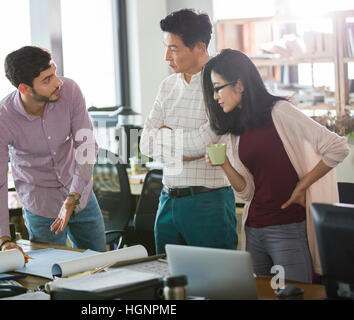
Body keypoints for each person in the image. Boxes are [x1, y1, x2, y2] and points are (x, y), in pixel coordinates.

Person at [199, 48, 349, 283]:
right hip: (253, 229)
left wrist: (302, 186)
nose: (215, 96)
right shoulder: (236, 129)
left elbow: (338, 148)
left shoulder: (280, 112)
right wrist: (224, 164)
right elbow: (247, 191)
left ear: (239, 84)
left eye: (218, 87)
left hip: (287, 229)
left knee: (294, 294)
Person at [0, 46, 106, 256]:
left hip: (81, 195)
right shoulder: (0, 122)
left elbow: (85, 147)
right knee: (51, 273)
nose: (58, 82)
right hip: (41, 205)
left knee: (101, 266)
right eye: (47, 80)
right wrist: (4, 240)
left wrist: (73, 196)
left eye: (54, 73)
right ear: (25, 88)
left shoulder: (70, 91)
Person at [139, 9, 238, 255]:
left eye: (174, 49)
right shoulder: (167, 85)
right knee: (169, 284)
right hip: (167, 200)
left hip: (208, 202)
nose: (166, 57)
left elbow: (203, 144)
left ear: (200, 47)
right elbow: (145, 144)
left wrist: (164, 134)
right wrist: (184, 143)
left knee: (216, 285)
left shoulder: (220, 84)